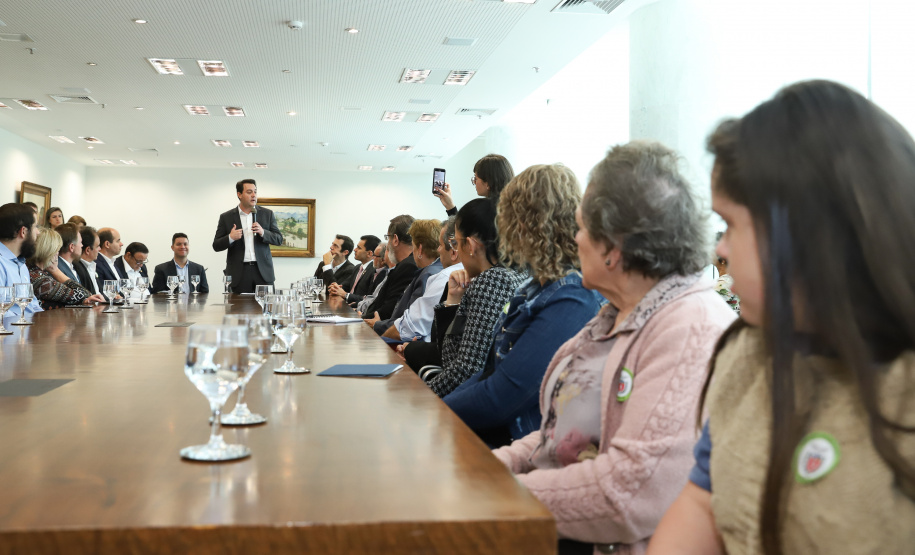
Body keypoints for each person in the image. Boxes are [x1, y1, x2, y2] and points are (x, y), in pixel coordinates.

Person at [649, 81, 915, 554]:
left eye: (730, 225)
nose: (719, 250)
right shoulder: (746, 355)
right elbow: (701, 503)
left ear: (811, 234)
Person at [491, 142, 735, 555]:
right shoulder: (617, 313)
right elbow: (561, 433)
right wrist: (493, 467)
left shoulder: (690, 326)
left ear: (615, 247)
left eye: (583, 228)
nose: (575, 239)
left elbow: (630, 491)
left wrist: (499, 493)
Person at [443, 164, 605, 446]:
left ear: (524, 225)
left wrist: (435, 413)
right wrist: (439, 406)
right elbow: (490, 371)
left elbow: (503, 395)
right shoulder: (535, 285)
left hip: (519, 446)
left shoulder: (573, 295)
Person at [424, 199, 526, 397]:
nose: (455, 250)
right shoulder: (517, 273)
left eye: (455, 243)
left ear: (470, 245)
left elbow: (466, 368)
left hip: (470, 401)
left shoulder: (492, 281)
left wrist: (424, 397)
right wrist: (453, 299)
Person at [399, 218, 463, 369]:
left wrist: (412, 349)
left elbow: (413, 327)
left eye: (440, 245)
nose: (438, 250)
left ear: (454, 251)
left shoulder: (444, 276)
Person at [367, 219, 446, 338]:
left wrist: (378, 325)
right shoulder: (435, 270)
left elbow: (409, 323)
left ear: (419, 249)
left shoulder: (427, 275)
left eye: (413, 246)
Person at [212, 178, 283, 293]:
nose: (254, 195)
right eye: (249, 192)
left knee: (266, 304)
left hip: (263, 272)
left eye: (255, 192)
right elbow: (216, 245)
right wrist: (230, 237)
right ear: (239, 194)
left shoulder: (267, 214)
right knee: (238, 305)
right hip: (238, 273)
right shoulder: (226, 217)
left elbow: (279, 239)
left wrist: (263, 232)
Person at [27, 228, 103, 309]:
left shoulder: (37, 273)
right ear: (49, 251)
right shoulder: (40, 280)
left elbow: (84, 295)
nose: (57, 254)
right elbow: (84, 294)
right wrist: (55, 270)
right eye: (57, 250)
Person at [361, 215, 418, 320]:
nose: (388, 244)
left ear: (395, 239)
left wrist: (362, 319)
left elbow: (389, 309)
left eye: (388, 238)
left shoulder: (407, 266)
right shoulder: (406, 264)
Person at [435, 154, 514, 216]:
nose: (474, 182)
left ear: (488, 183)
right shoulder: (515, 208)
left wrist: (450, 207)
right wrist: (450, 206)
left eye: (476, 178)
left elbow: (460, 230)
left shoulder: (481, 209)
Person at [0, 203, 43, 316]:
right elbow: (1, 312)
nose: (38, 232)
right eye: (35, 227)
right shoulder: (1, 264)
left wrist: (45, 320)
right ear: (23, 231)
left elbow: (33, 306)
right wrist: (23, 321)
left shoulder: (21, 264)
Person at [329, 235, 380, 303]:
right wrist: (335, 288)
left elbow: (370, 299)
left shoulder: (375, 271)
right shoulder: (357, 267)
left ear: (369, 253)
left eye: (359, 248)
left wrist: (346, 295)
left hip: (357, 308)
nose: (355, 250)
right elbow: (343, 286)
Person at [356, 243, 394, 314]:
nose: (372, 258)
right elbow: (370, 297)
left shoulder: (385, 274)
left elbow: (374, 301)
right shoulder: (376, 271)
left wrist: (359, 307)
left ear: (383, 259)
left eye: (375, 256)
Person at [75, 226, 102, 296]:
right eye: (97, 246)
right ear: (88, 250)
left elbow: (99, 293)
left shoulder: (91, 265)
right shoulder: (78, 269)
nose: (100, 249)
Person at [95, 227, 123, 292]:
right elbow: (102, 290)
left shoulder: (113, 262)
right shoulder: (97, 264)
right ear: (107, 244)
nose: (121, 244)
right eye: (118, 241)